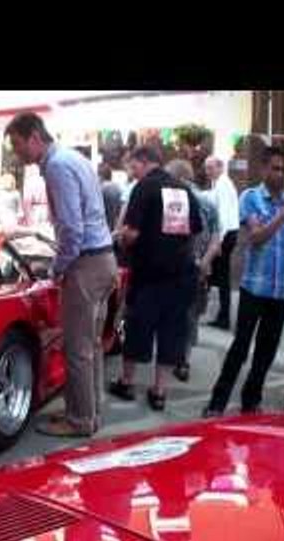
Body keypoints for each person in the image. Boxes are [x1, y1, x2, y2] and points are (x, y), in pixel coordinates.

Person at [6, 112, 117, 438]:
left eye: (16, 144)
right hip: (103, 260)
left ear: (34, 138)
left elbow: (71, 228)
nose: (16, 153)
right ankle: (91, 413)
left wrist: (57, 269)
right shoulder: (74, 159)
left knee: (77, 349)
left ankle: (79, 420)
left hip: (86, 264)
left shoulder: (56, 166)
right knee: (92, 346)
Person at [203, 146, 284, 417]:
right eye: (274, 168)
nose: (279, 174)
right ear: (263, 169)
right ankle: (217, 403)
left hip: (279, 291)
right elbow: (256, 238)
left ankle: (251, 401)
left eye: (282, 169)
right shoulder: (251, 198)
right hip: (254, 289)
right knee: (240, 348)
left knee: (266, 353)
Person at [108, 145, 203, 412]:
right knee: (171, 332)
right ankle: (159, 391)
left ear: (145, 161)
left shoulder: (144, 187)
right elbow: (195, 229)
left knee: (138, 327)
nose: (131, 172)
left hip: (149, 273)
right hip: (180, 273)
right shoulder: (183, 189)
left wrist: (121, 238)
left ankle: (127, 382)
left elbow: (133, 233)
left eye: (132, 166)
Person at [165, 159, 222, 383]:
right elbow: (216, 240)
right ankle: (183, 360)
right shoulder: (208, 202)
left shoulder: (175, 200)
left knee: (174, 313)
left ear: (177, 178)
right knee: (191, 316)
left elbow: (174, 239)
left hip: (179, 267)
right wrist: (204, 264)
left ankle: (172, 356)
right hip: (199, 269)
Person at [204, 156, 241, 330]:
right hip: (227, 234)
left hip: (226, 234)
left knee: (221, 276)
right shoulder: (219, 184)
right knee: (220, 276)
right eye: (206, 168)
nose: (208, 171)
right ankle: (221, 314)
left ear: (220, 167)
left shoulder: (223, 185)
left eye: (211, 168)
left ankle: (223, 316)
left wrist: (218, 240)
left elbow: (224, 215)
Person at [22, 163, 49, 228]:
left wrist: (26, 215)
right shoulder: (46, 180)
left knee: (34, 229)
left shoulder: (30, 181)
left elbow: (27, 200)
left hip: (34, 209)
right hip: (46, 208)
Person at [98, 162, 124, 233]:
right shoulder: (118, 188)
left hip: (103, 227)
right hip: (114, 226)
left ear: (100, 175)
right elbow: (120, 208)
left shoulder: (100, 189)